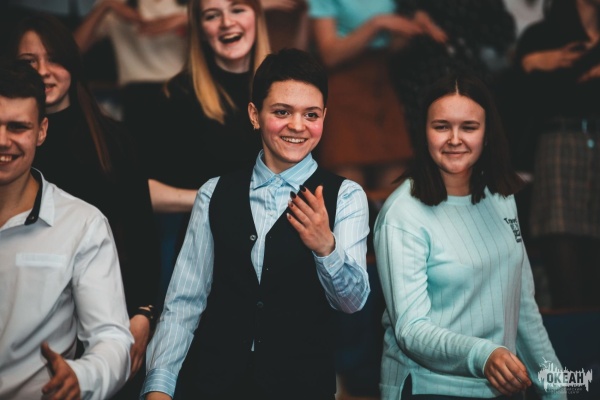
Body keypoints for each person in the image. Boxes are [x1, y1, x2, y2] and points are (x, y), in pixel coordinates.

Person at [141, 48, 371, 400]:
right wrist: (159, 385)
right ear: (255, 114)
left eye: (311, 114)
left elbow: (352, 303)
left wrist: (326, 247)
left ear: (324, 116)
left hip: (302, 388)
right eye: (282, 112)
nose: (297, 126)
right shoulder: (214, 193)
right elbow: (184, 302)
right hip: (215, 385)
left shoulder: (347, 196)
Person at [374, 73, 566, 399]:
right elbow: (411, 330)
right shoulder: (402, 214)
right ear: (424, 132)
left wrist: (555, 388)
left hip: (502, 387)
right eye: (441, 126)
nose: (454, 139)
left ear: (487, 133)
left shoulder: (501, 197)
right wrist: (484, 355)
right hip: (429, 388)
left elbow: (522, 308)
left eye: (469, 127)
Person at [10, 14, 161, 398]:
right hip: (35, 313)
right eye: (29, 61)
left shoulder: (113, 139)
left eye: (54, 59)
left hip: (111, 310)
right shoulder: (12, 150)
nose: (43, 71)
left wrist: (143, 313)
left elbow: (142, 233)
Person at [0, 59, 132, 400]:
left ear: (41, 131)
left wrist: (80, 376)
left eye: (18, 127)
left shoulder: (82, 225)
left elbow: (112, 339)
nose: (3, 141)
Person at [307, 0, 447, 202]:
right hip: (344, 86)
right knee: (348, 188)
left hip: (382, 82)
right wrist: (377, 24)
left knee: (397, 189)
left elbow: (391, 48)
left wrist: (411, 29)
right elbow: (328, 55)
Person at [510, 0, 600, 309]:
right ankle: (573, 334)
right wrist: (531, 65)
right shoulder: (543, 35)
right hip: (558, 144)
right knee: (565, 267)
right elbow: (516, 102)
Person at [73, 0, 189, 165]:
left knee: (183, 159)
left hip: (181, 90)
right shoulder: (116, 5)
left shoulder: (186, 5)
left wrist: (186, 20)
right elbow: (72, 50)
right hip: (137, 96)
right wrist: (105, 7)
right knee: (144, 162)